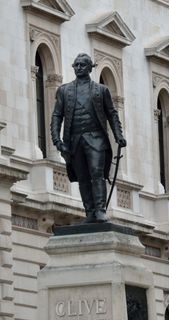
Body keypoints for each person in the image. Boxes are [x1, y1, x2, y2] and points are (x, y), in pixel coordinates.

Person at [51, 53, 127, 223]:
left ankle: (100, 210)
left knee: (97, 173)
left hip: (96, 138)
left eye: (82, 65)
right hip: (75, 140)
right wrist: (57, 141)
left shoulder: (101, 90)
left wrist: (118, 136)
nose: (78, 68)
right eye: (76, 65)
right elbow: (57, 116)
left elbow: (112, 115)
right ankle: (90, 211)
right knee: (83, 176)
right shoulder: (64, 90)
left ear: (90, 67)